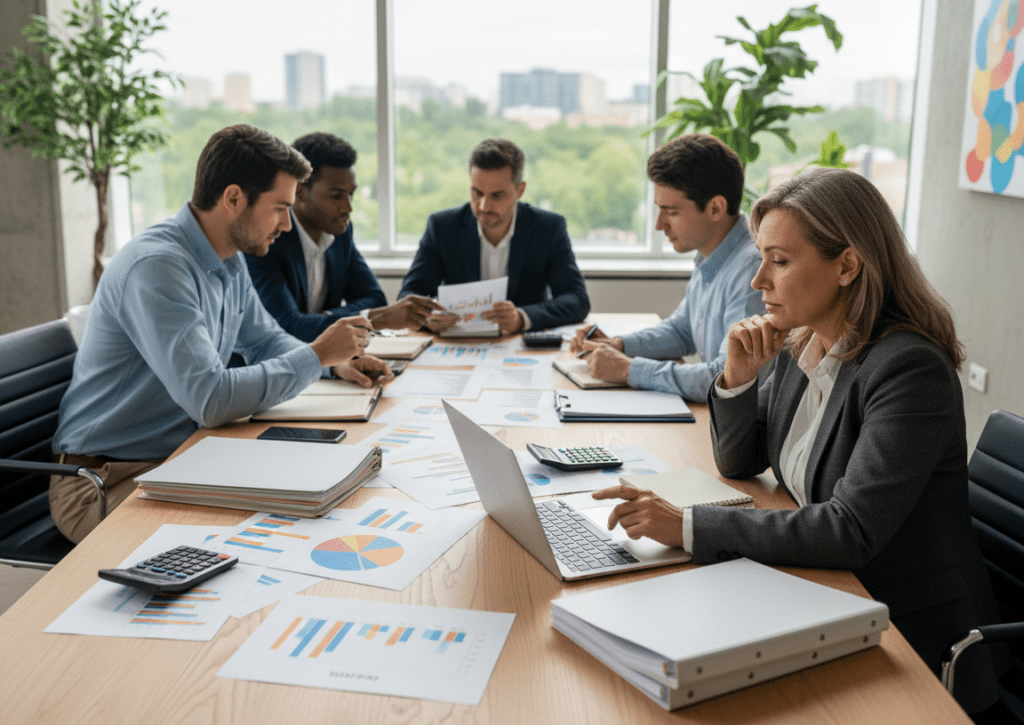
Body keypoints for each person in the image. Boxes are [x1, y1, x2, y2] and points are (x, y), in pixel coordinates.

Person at [592, 168, 1005, 714]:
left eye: (780, 261)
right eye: (761, 257)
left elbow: (849, 529)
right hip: (825, 589)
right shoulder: (802, 342)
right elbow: (740, 462)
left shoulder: (908, 371)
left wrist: (687, 525)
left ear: (848, 265)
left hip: (908, 630)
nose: (758, 279)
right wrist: (737, 380)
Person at [50, 124, 391, 543]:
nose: (286, 224)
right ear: (233, 198)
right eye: (279, 207)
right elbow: (210, 400)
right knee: (271, 530)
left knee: (315, 497)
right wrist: (316, 356)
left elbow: (265, 340)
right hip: (103, 481)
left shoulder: (228, 260)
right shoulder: (158, 268)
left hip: (178, 457)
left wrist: (335, 365)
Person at [569, 134, 762, 400]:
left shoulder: (752, 270)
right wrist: (619, 345)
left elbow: (725, 377)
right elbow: (681, 331)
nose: (659, 225)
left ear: (715, 208)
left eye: (671, 212)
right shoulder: (712, 257)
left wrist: (628, 369)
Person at [246, 132, 446, 340]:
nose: (348, 208)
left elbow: (374, 298)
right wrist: (374, 319)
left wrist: (321, 319)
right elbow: (287, 326)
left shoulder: (339, 233)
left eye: (351, 194)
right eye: (336, 196)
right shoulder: (268, 240)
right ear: (300, 192)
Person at [398, 137, 589, 334]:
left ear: (519, 190)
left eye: (496, 195)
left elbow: (577, 300)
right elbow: (409, 297)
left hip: (521, 346)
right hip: (456, 344)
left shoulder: (548, 228)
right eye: (477, 193)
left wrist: (522, 318)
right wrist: (428, 318)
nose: (484, 206)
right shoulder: (442, 227)